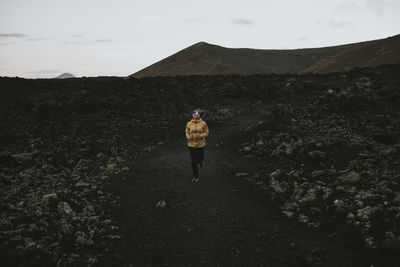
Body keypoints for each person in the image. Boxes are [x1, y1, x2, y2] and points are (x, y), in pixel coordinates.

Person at [185, 108, 209, 183]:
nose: (195, 115)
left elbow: (207, 132)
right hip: (191, 145)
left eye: (197, 114)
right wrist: (188, 137)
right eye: (194, 114)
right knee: (193, 162)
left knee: (200, 158)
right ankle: (196, 176)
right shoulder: (189, 123)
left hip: (200, 145)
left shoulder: (203, 123)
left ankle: (200, 161)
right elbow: (186, 132)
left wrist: (201, 135)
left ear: (200, 116)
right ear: (192, 115)